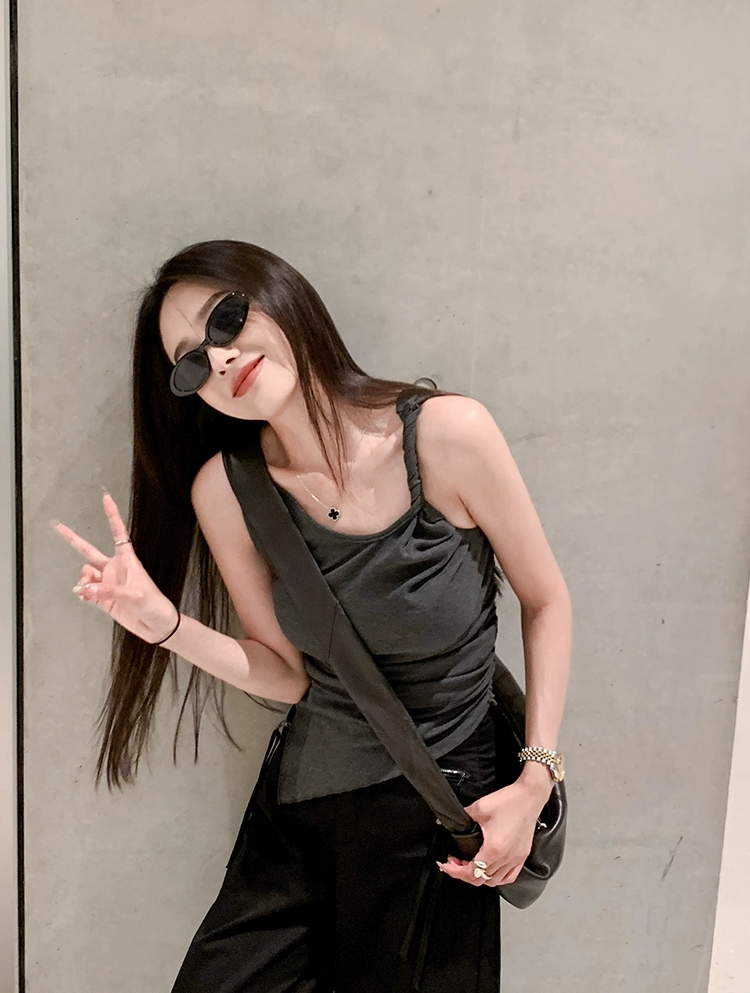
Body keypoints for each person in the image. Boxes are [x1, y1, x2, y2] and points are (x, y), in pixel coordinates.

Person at [51, 239, 572, 992]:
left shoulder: (448, 436)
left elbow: (547, 600)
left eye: (226, 319)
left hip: (438, 816)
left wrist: (535, 781)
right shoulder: (227, 491)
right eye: (191, 361)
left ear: (281, 295)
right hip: (300, 818)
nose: (219, 358)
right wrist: (164, 625)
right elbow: (286, 675)